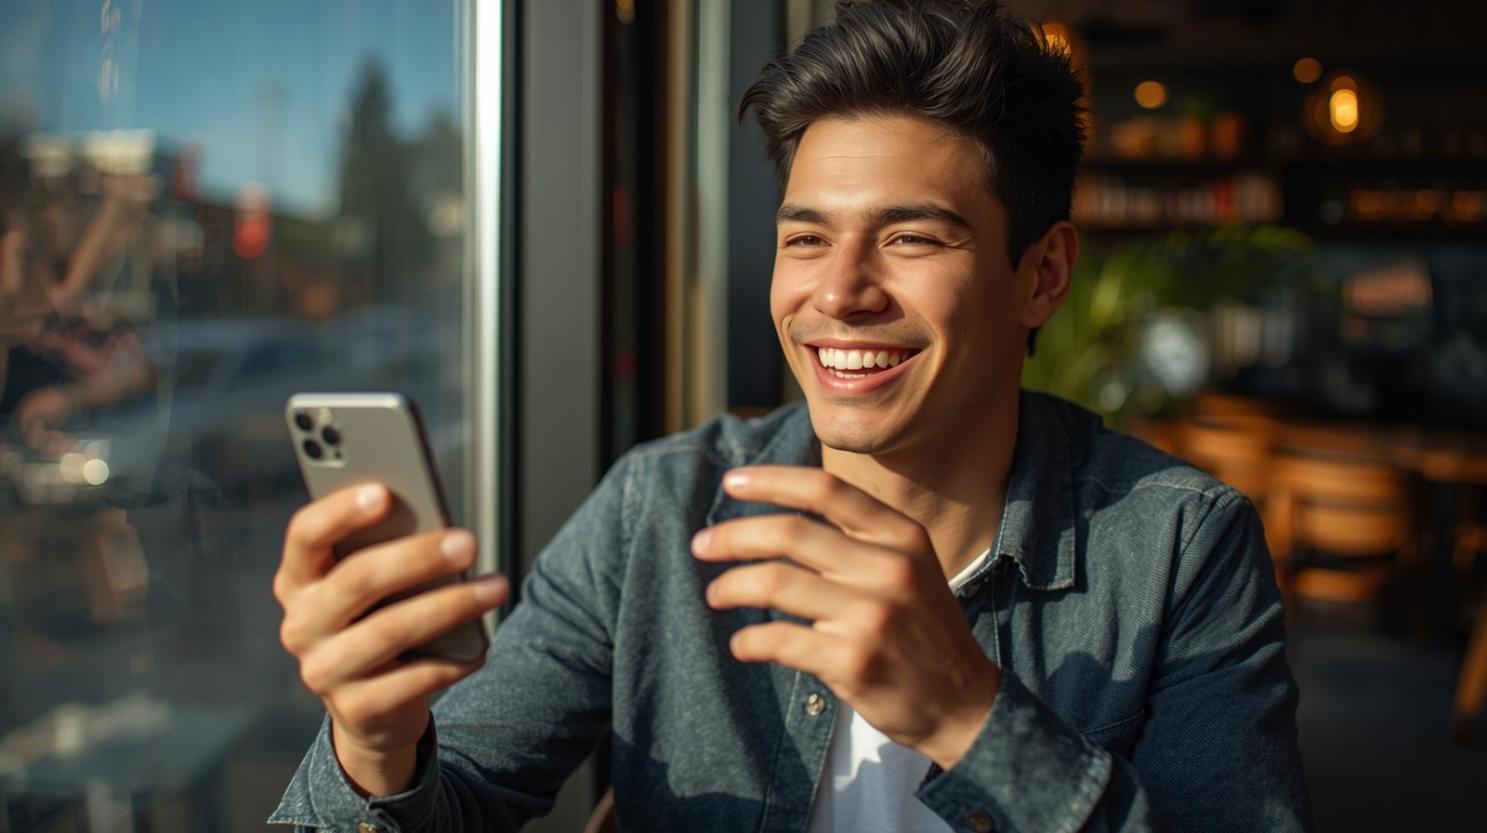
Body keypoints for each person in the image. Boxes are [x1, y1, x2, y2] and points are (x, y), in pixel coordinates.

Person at [270, 2, 1310, 830]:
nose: (838, 291)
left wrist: (968, 713)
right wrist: (374, 746)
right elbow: (453, 801)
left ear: (1040, 276)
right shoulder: (658, 511)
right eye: (805, 239)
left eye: (910, 238)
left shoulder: (1179, 542)